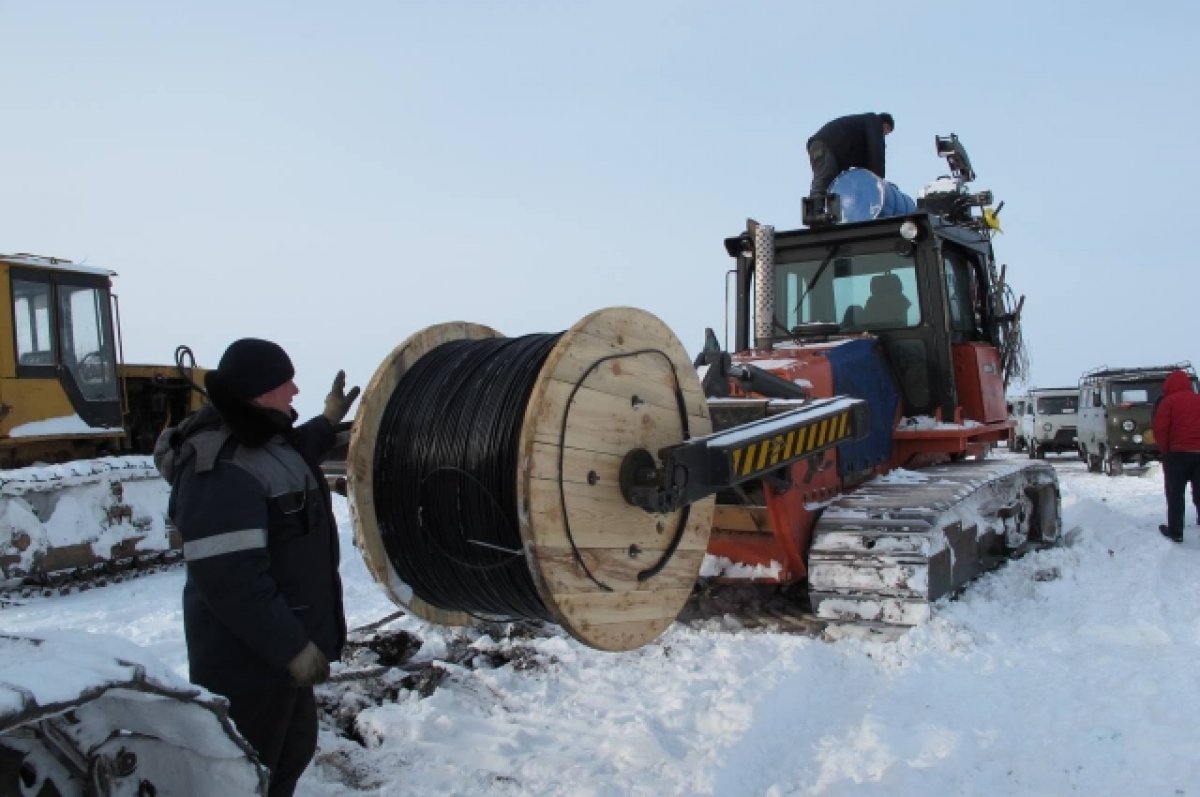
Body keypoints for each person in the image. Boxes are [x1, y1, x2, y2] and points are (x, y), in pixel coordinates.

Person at [154, 338, 360, 797]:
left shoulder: (262, 440)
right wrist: (292, 650)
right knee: (247, 773)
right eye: (283, 381)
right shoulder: (220, 468)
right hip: (248, 664)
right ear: (258, 390)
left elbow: (291, 451)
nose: (295, 388)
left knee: (289, 757)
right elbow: (231, 580)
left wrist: (328, 423)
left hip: (283, 656)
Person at [1150, 369, 1200, 542]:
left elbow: (1160, 428)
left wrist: (1165, 450)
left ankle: (1176, 532)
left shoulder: (1168, 402)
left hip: (1177, 455)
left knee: (1175, 493)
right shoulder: (1197, 399)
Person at [807, 112, 894, 196]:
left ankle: (819, 206)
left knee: (832, 185)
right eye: (886, 129)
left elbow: (866, 162)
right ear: (883, 122)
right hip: (826, 145)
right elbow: (876, 150)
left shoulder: (860, 133)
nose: (885, 134)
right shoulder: (874, 121)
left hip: (824, 147)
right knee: (825, 177)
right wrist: (879, 181)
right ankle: (815, 206)